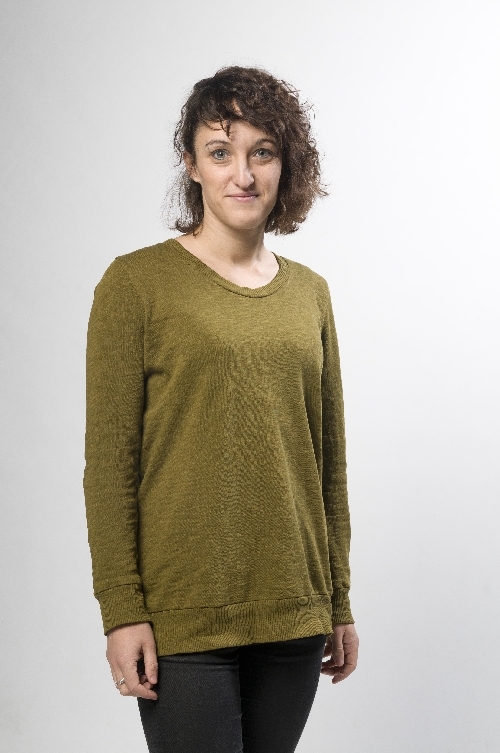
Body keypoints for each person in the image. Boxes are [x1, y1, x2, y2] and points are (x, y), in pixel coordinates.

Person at [83, 65, 359, 753]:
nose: (243, 174)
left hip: (295, 610)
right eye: (220, 151)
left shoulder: (310, 294)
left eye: (262, 151)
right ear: (192, 164)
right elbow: (110, 467)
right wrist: (121, 609)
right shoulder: (136, 285)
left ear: (285, 164)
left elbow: (328, 461)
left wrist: (338, 599)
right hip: (182, 616)